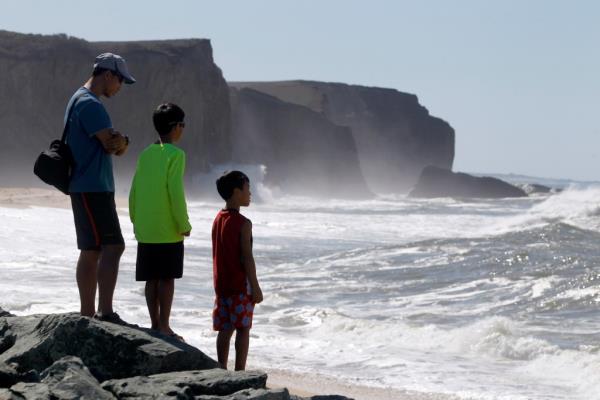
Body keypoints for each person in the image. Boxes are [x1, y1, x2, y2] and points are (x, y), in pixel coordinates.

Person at [66, 52, 135, 321]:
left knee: (91, 249)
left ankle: (87, 313)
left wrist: (120, 142)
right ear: (108, 75)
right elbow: (113, 145)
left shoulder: (77, 99)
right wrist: (124, 141)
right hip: (93, 186)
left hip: (84, 185)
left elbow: (114, 144)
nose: (120, 87)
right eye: (120, 81)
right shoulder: (90, 104)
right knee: (113, 246)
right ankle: (105, 312)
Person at [129, 103, 191, 341]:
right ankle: (164, 325)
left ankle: (154, 323)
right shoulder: (176, 155)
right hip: (168, 229)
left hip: (146, 228)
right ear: (175, 127)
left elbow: (134, 190)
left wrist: (136, 220)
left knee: (151, 278)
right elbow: (175, 192)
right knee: (166, 278)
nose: (183, 129)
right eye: (182, 125)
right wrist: (183, 223)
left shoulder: (145, 153)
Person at [212, 171, 263, 370]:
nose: (250, 194)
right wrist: (256, 287)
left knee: (225, 329)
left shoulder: (218, 218)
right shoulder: (244, 223)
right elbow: (247, 258)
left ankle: (220, 368)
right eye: (247, 189)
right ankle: (240, 372)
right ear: (236, 192)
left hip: (221, 284)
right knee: (243, 328)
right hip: (240, 286)